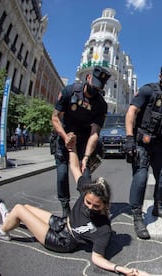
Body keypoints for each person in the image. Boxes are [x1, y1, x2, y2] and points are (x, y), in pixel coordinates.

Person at [0, 132, 140, 276]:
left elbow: (97, 258)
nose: (90, 207)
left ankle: (3, 232)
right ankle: (10, 220)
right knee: (26, 208)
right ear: (86, 194)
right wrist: (72, 148)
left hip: (62, 241)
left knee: (19, 210)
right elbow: (75, 168)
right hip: (62, 223)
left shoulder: (104, 229)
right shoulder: (86, 189)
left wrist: (120, 268)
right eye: (88, 202)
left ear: (105, 205)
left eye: (96, 206)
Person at [125, 65, 162, 240]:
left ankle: (157, 207)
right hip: (142, 142)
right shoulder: (147, 90)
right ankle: (137, 217)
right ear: (160, 76)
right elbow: (132, 111)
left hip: (160, 145)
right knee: (140, 178)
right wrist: (128, 137)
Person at [51, 66, 111, 217]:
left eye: (98, 88)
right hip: (64, 135)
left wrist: (85, 157)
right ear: (88, 78)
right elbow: (55, 117)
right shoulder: (69, 91)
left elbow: (94, 133)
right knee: (62, 174)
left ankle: (85, 211)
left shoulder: (101, 105)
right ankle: (65, 208)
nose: (94, 90)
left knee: (85, 176)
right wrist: (65, 138)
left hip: (84, 141)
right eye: (93, 85)